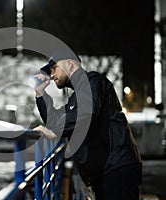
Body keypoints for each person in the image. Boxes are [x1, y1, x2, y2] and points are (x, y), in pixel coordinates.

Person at [34, 50, 142, 200]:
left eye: (54, 68)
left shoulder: (93, 81)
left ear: (70, 64)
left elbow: (86, 113)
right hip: (104, 171)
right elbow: (55, 122)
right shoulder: (77, 97)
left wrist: (56, 131)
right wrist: (40, 93)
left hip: (117, 168)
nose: (51, 75)